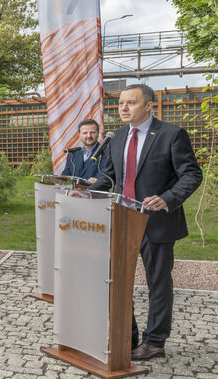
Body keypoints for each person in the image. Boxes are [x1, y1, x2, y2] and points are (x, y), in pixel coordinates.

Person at [90, 84, 202, 360]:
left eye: (131, 103)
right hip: (121, 220)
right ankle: (126, 337)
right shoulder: (116, 138)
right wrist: (90, 187)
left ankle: (155, 342)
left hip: (156, 222)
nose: (124, 108)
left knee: (158, 283)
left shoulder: (171, 135)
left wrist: (167, 198)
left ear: (149, 105)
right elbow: (113, 176)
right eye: (120, 104)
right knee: (114, 280)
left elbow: (191, 175)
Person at [61, 118, 109, 183]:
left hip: (95, 192)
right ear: (79, 135)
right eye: (85, 133)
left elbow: (106, 174)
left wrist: (97, 180)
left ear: (98, 133)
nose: (89, 136)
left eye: (92, 132)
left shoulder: (107, 152)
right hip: (74, 192)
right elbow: (66, 175)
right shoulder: (73, 154)